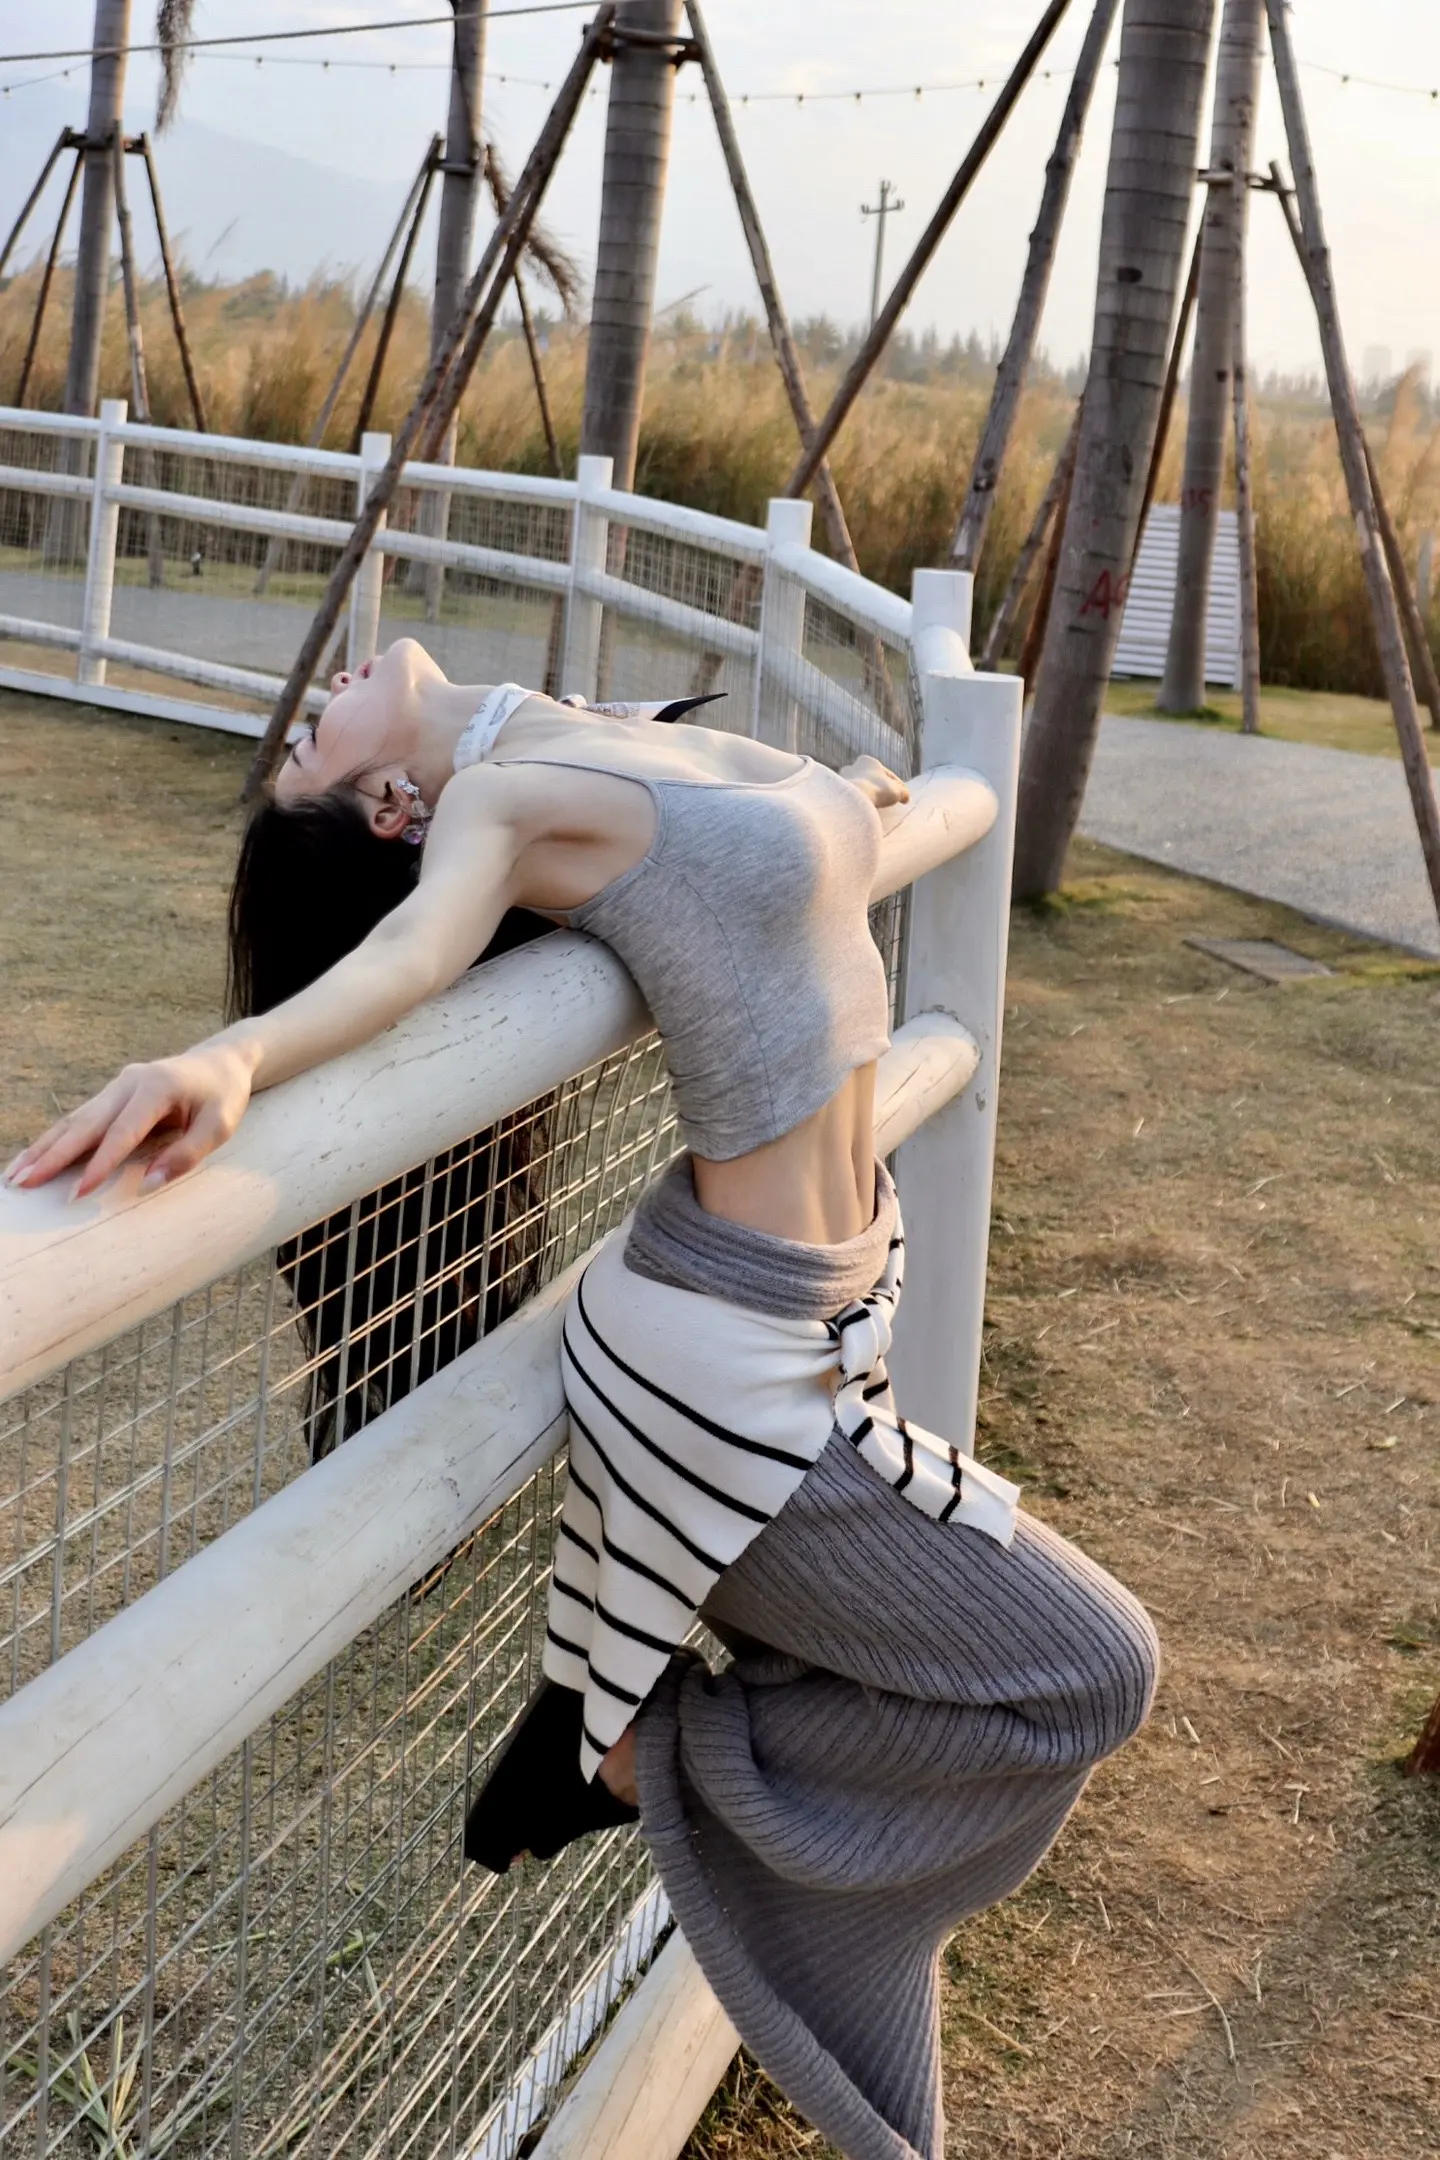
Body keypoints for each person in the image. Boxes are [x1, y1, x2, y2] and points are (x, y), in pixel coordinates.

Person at [6, 637, 1159, 2160]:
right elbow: (408, 964)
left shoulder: (597, 733)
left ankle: (635, 1740)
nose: (313, 699)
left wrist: (865, 803)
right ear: (391, 812)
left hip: (818, 1315)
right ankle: (639, 1750)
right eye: (306, 750)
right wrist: (225, 1060)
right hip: (726, 1371)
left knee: (988, 1674)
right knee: (1090, 1672)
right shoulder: (499, 802)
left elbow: (786, 861)